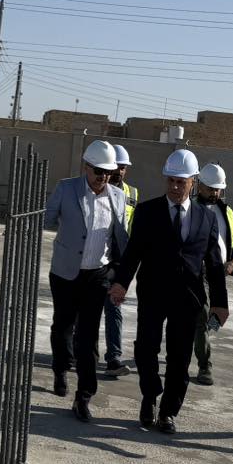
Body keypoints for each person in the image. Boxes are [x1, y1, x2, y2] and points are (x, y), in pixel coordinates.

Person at [109, 149, 229, 434]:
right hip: (153, 292)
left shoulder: (207, 218)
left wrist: (220, 303)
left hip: (188, 298)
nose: (175, 187)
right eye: (171, 181)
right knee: (145, 349)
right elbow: (133, 253)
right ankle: (150, 396)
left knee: (180, 357)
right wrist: (121, 283)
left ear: (193, 182)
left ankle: (168, 413)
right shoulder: (147, 212)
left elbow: (214, 264)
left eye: (181, 182)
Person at [43, 139, 129, 422]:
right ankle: (60, 368)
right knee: (63, 326)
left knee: (88, 335)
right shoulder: (67, 188)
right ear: (86, 167)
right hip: (66, 272)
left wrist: (120, 275)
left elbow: (121, 237)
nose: (102, 177)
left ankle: (84, 395)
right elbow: (46, 218)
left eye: (107, 172)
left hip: (98, 275)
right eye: (97, 171)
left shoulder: (118, 196)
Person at [191, 163, 233, 386]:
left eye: (218, 189)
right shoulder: (190, 209)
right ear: (199, 185)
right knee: (202, 317)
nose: (214, 193)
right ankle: (205, 365)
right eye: (210, 188)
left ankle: (197, 341)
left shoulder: (226, 211)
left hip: (219, 273)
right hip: (197, 273)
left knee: (215, 318)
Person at [101, 145, 139, 377]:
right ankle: (75, 349)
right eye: (116, 166)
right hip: (96, 258)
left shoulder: (132, 193)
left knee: (114, 307)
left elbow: (132, 227)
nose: (119, 171)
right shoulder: (98, 188)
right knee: (85, 309)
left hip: (119, 262)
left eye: (123, 167)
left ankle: (114, 358)